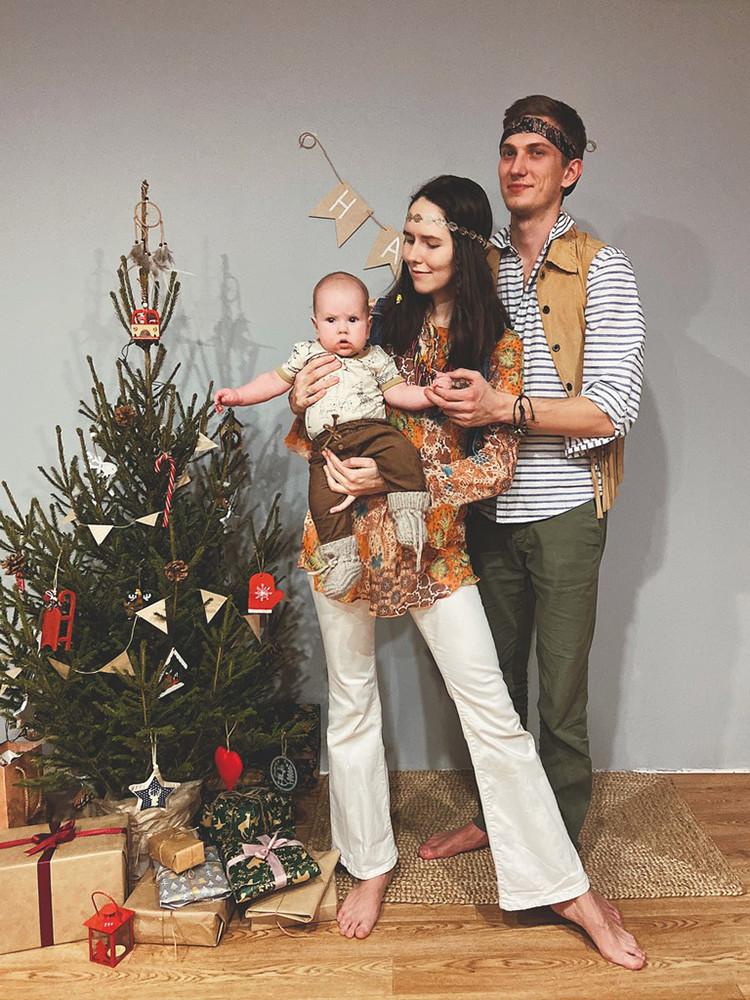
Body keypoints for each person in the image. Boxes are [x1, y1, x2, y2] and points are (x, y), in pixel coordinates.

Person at [287, 175, 645, 969]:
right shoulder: (374, 323)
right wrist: (299, 401)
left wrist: (399, 479)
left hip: (434, 552)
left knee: (493, 713)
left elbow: (495, 470)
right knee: (351, 704)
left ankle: (565, 887)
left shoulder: (496, 344)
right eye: (409, 236)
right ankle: (369, 864)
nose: (411, 252)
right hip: (341, 540)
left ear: (468, 248)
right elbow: (317, 422)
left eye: (429, 239)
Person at [416, 97, 645, 860]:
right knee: (493, 689)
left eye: (537, 153)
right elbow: (410, 338)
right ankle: (498, 821)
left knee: (562, 698)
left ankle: (559, 850)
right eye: (509, 150)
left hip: (567, 512)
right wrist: (324, 371)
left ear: (569, 170)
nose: (517, 166)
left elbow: (611, 409)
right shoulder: (474, 264)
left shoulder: (602, 269)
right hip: (483, 510)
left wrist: (505, 409)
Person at [214, 271, 445, 597]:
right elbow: (273, 381)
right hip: (327, 445)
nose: (342, 329)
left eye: (353, 320)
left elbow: (399, 393)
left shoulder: (376, 358)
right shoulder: (307, 354)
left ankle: (408, 511)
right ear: (316, 325)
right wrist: (238, 396)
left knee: (400, 450)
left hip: (370, 432)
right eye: (331, 320)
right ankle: (342, 559)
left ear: (368, 324)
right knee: (322, 499)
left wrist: (429, 394)